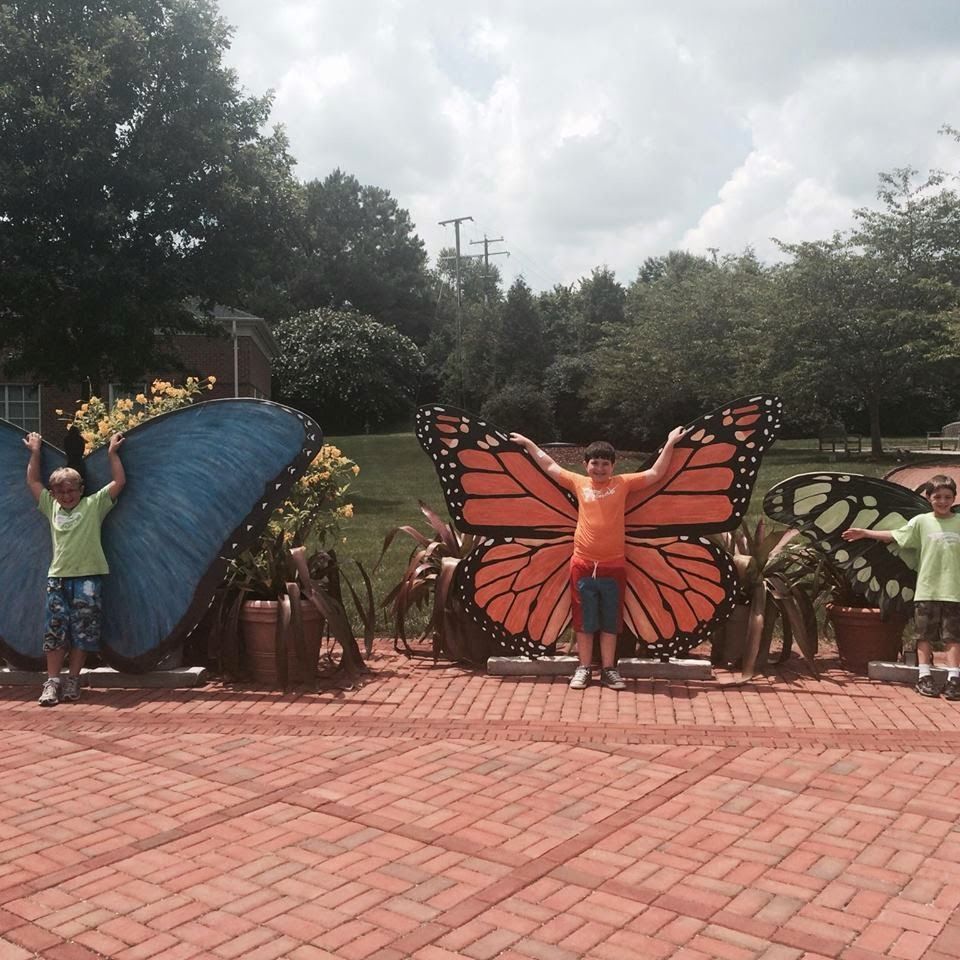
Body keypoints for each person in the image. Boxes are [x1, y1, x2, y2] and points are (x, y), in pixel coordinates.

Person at [509, 429, 685, 690]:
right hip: (582, 565)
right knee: (584, 620)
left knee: (610, 620)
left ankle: (609, 669)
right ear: (586, 465)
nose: (600, 468)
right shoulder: (579, 483)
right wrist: (529, 443)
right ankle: (583, 668)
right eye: (595, 463)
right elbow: (549, 465)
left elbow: (655, 474)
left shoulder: (623, 483)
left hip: (613, 565)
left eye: (605, 463)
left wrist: (669, 442)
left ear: (613, 466)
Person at [23, 431, 126, 706]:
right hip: (58, 577)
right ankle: (52, 681)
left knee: (84, 630)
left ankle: (73, 679)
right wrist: (35, 452)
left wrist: (112, 454)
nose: (66, 495)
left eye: (71, 490)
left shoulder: (93, 505)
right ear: (53, 493)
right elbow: (32, 480)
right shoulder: (50, 507)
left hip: (89, 578)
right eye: (60, 491)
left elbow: (118, 481)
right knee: (55, 629)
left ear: (81, 490)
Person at [842, 476, 960, 700]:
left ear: (954, 498)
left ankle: (954, 678)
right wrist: (866, 533)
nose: (943, 501)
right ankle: (924, 676)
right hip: (927, 590)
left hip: (955, 591)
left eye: (947, 497)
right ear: (928, 498)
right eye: (937, 497)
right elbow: (896, 535)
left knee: (953, 637)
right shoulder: (921, 522)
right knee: (924, 635)